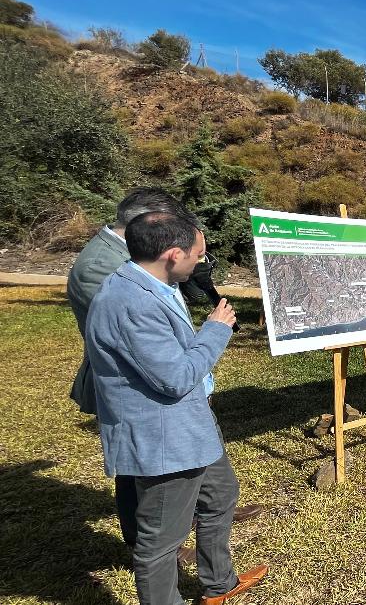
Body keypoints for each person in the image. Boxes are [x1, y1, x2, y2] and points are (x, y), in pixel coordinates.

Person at [67, 187, 262, 560]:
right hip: (144, 395)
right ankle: (153, 544)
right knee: (143, 475)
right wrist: (209, 339)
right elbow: (142, 349)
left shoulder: (145, 261)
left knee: (199, 472)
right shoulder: (103, 269)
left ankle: (199, 513)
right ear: (150, 223)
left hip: (180, 379)